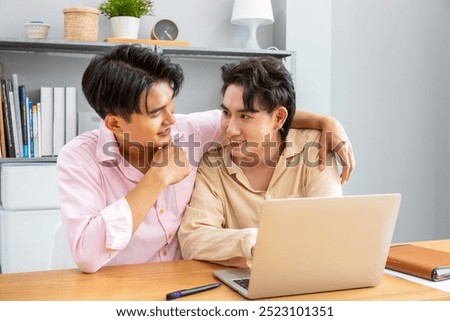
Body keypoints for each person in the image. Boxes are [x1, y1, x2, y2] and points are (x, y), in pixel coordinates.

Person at [57, 44, 353, 273]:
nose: (171, 119)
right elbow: (87, 254)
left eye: (171, 105)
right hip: (118, 293)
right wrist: (158, 178)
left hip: (189, 288)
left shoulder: (190, 130)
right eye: (156, 112)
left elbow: (258, 113)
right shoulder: (79, 159)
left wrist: (324, 121)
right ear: (115, 124)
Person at [178, 56, 343, 268]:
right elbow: (193, 240)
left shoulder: (314, 149)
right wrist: (255, 243)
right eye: (227, 113)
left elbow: (331, 227)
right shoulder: (213, 164)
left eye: (245, 116)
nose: (230, 129)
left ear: (279, 118)